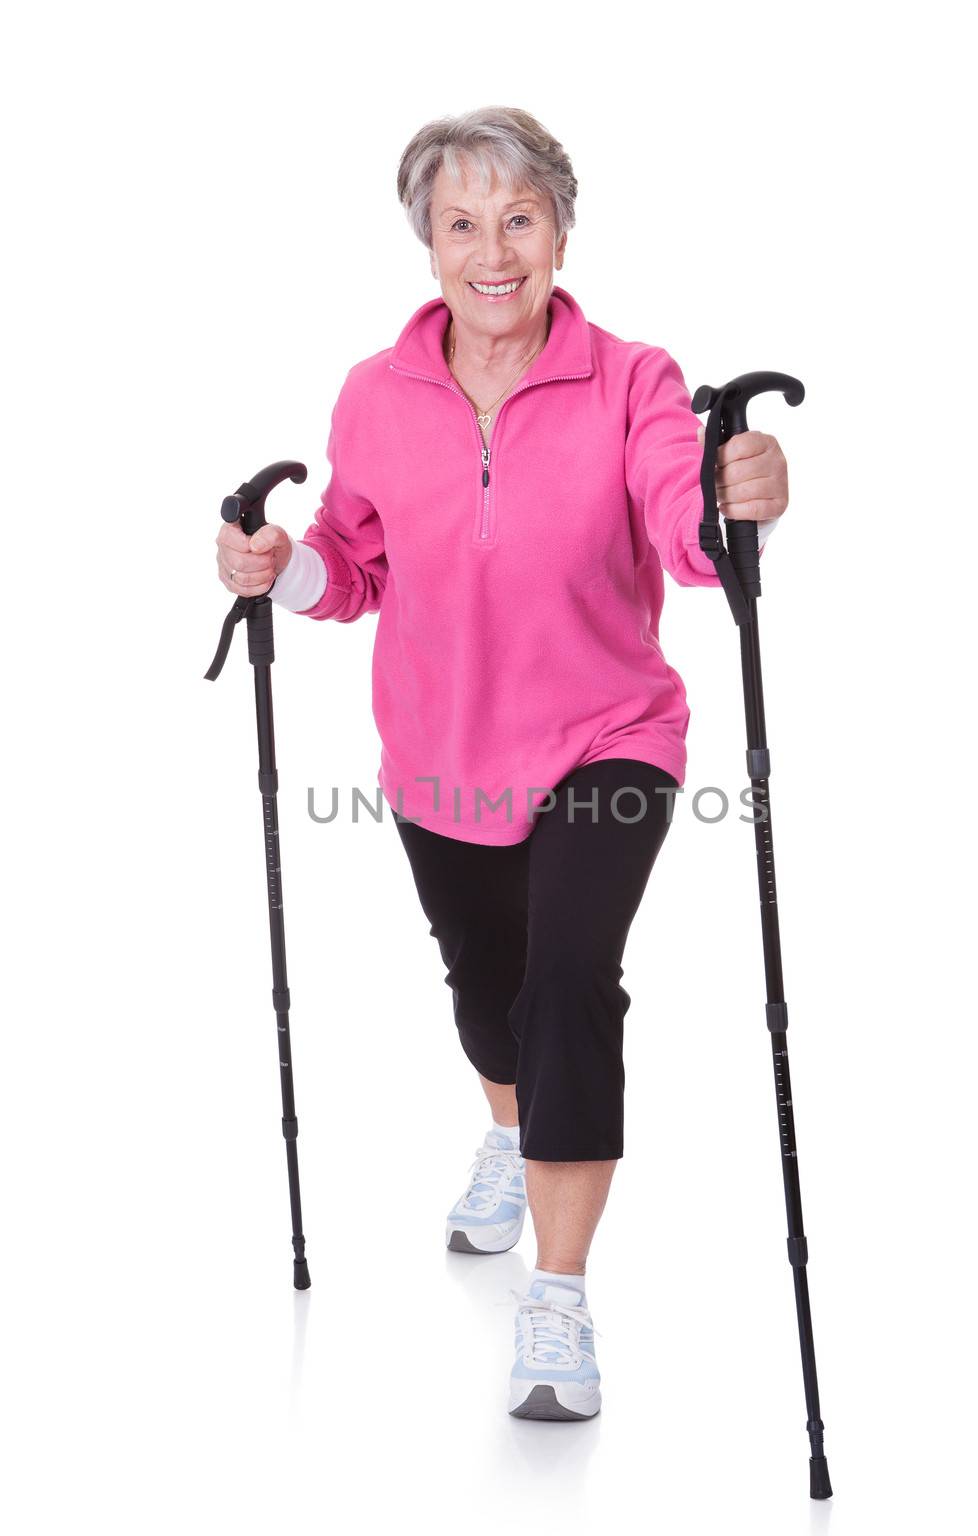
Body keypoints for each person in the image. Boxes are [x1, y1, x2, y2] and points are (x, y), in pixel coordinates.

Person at [215, 106, 789, 1422]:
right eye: (461, 223)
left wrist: (731, 500)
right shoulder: (377, 392)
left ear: (560, 231)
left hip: (609, 737)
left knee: (571, 984)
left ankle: (560, 1299)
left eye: (517, 220)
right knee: (490, 999)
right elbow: (352, 569)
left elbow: (683, 520)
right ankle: (509, 1131)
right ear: (426, 243)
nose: (492, 253)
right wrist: (277, 567)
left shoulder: (634, 379)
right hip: (442, 754)